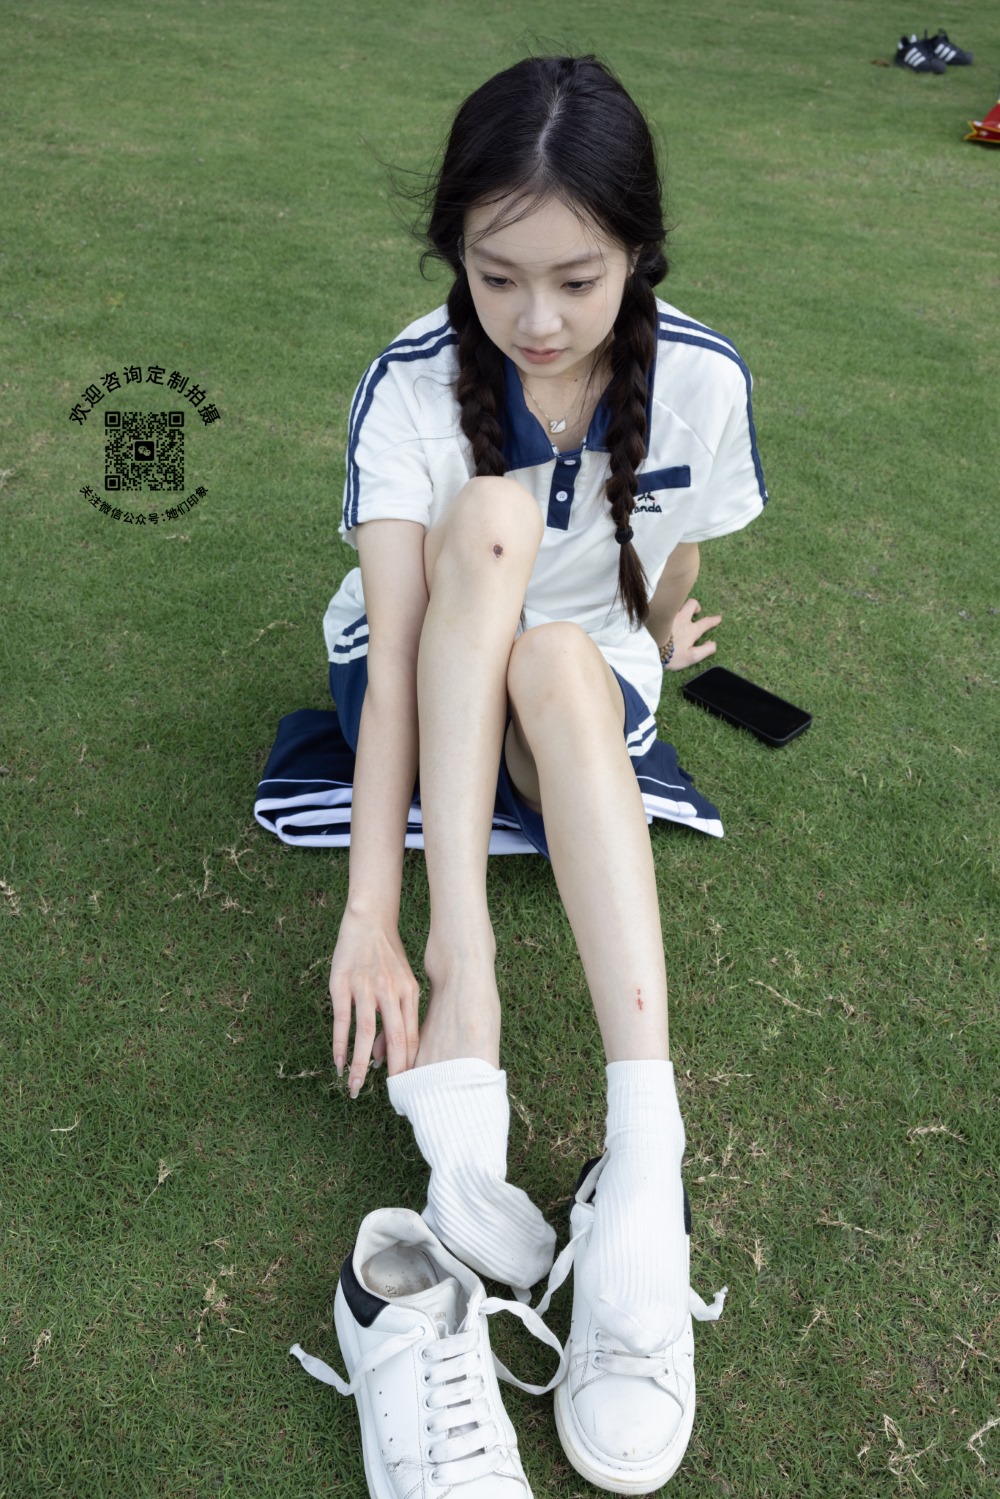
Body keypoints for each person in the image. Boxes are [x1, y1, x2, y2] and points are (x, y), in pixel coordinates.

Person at [296, 53, 766, 1494]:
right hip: (416, 680)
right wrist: (374, 916)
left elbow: (676, 549)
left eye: (579, 277)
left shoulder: (700, 378)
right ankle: (470, 972)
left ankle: (646, 1156)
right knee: (494, 522)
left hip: (564, 699)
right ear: (457, 253)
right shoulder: (412, 384)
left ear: (640, 254)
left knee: (563, 656)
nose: (539, 319)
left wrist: (660, 627)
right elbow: (395, 658)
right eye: (499, 278)